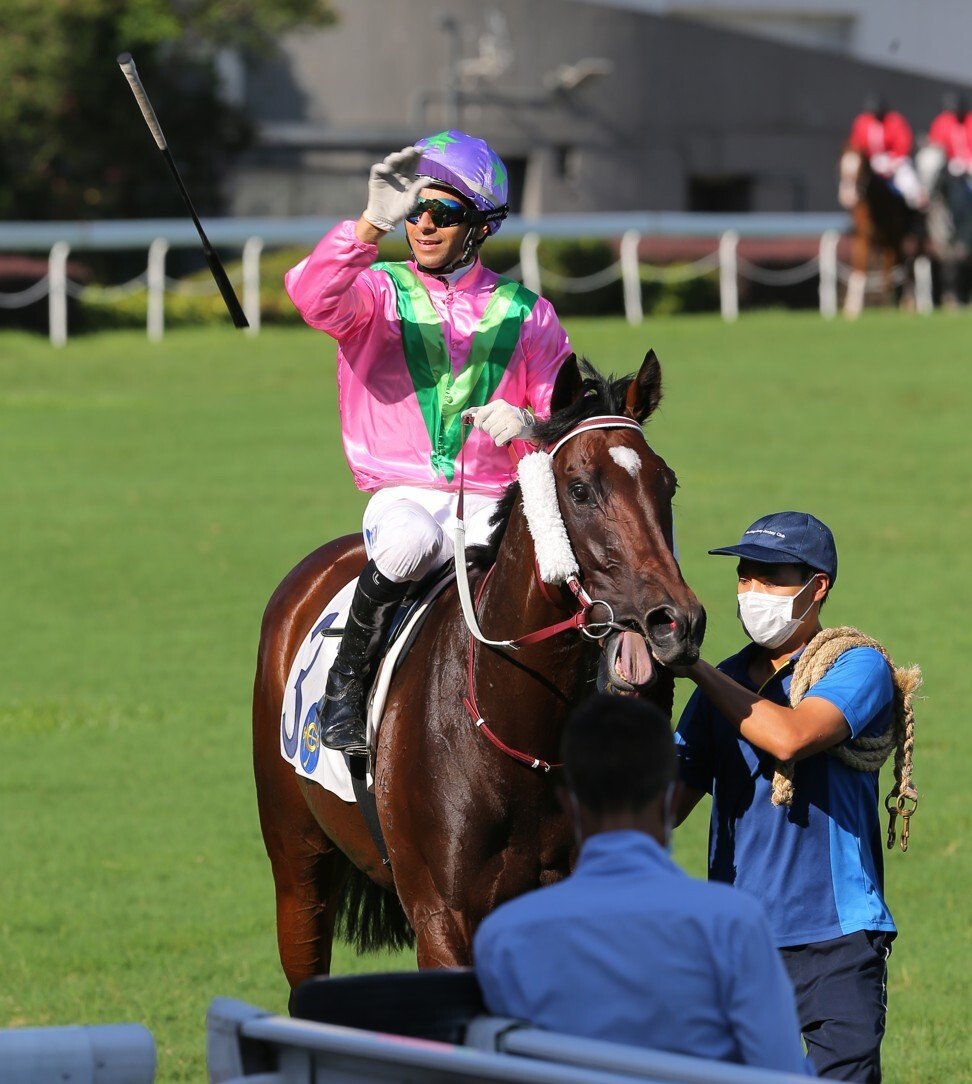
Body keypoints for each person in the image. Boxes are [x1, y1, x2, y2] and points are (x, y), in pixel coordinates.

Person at [285, 130, 571, 755]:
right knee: (413, 541)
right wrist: (366, 228)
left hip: (501, 499)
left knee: (570, 571)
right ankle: (344, 690)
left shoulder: (531, 314)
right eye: (415, 209)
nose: (423, 224)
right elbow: (310, 297)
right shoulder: (378, 291)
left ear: (480, 226)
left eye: (443, 213)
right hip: (404, 496)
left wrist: (528, 426)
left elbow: (561, 417)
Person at [673, 512, 919, 1082]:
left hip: (837, 941)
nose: (752, 590)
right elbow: (659, 810)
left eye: (771, 576)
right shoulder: (725, 684)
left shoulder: (857, 665)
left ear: (818, 587)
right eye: (744, 575)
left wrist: (693, 669)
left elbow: (790, 736)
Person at [473, 694, 811, 1075]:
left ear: (568, 805)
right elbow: (780, 1071)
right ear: (669, 801)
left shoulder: (505, 938)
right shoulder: (734, 926)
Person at [847, 94, 925, 209]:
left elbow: (903, 142)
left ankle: (916, 207)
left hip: (893, 161)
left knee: (907, 180)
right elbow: (856, 143)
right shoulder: (862, 122)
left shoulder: (895, 121)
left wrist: (893, 161)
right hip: (870, 162)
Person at [928, 91, 972, 177]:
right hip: (951, 162)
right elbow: (935, 143)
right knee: (929, 158)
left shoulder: (970, 120)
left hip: (970, 162)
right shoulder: (944, 120)